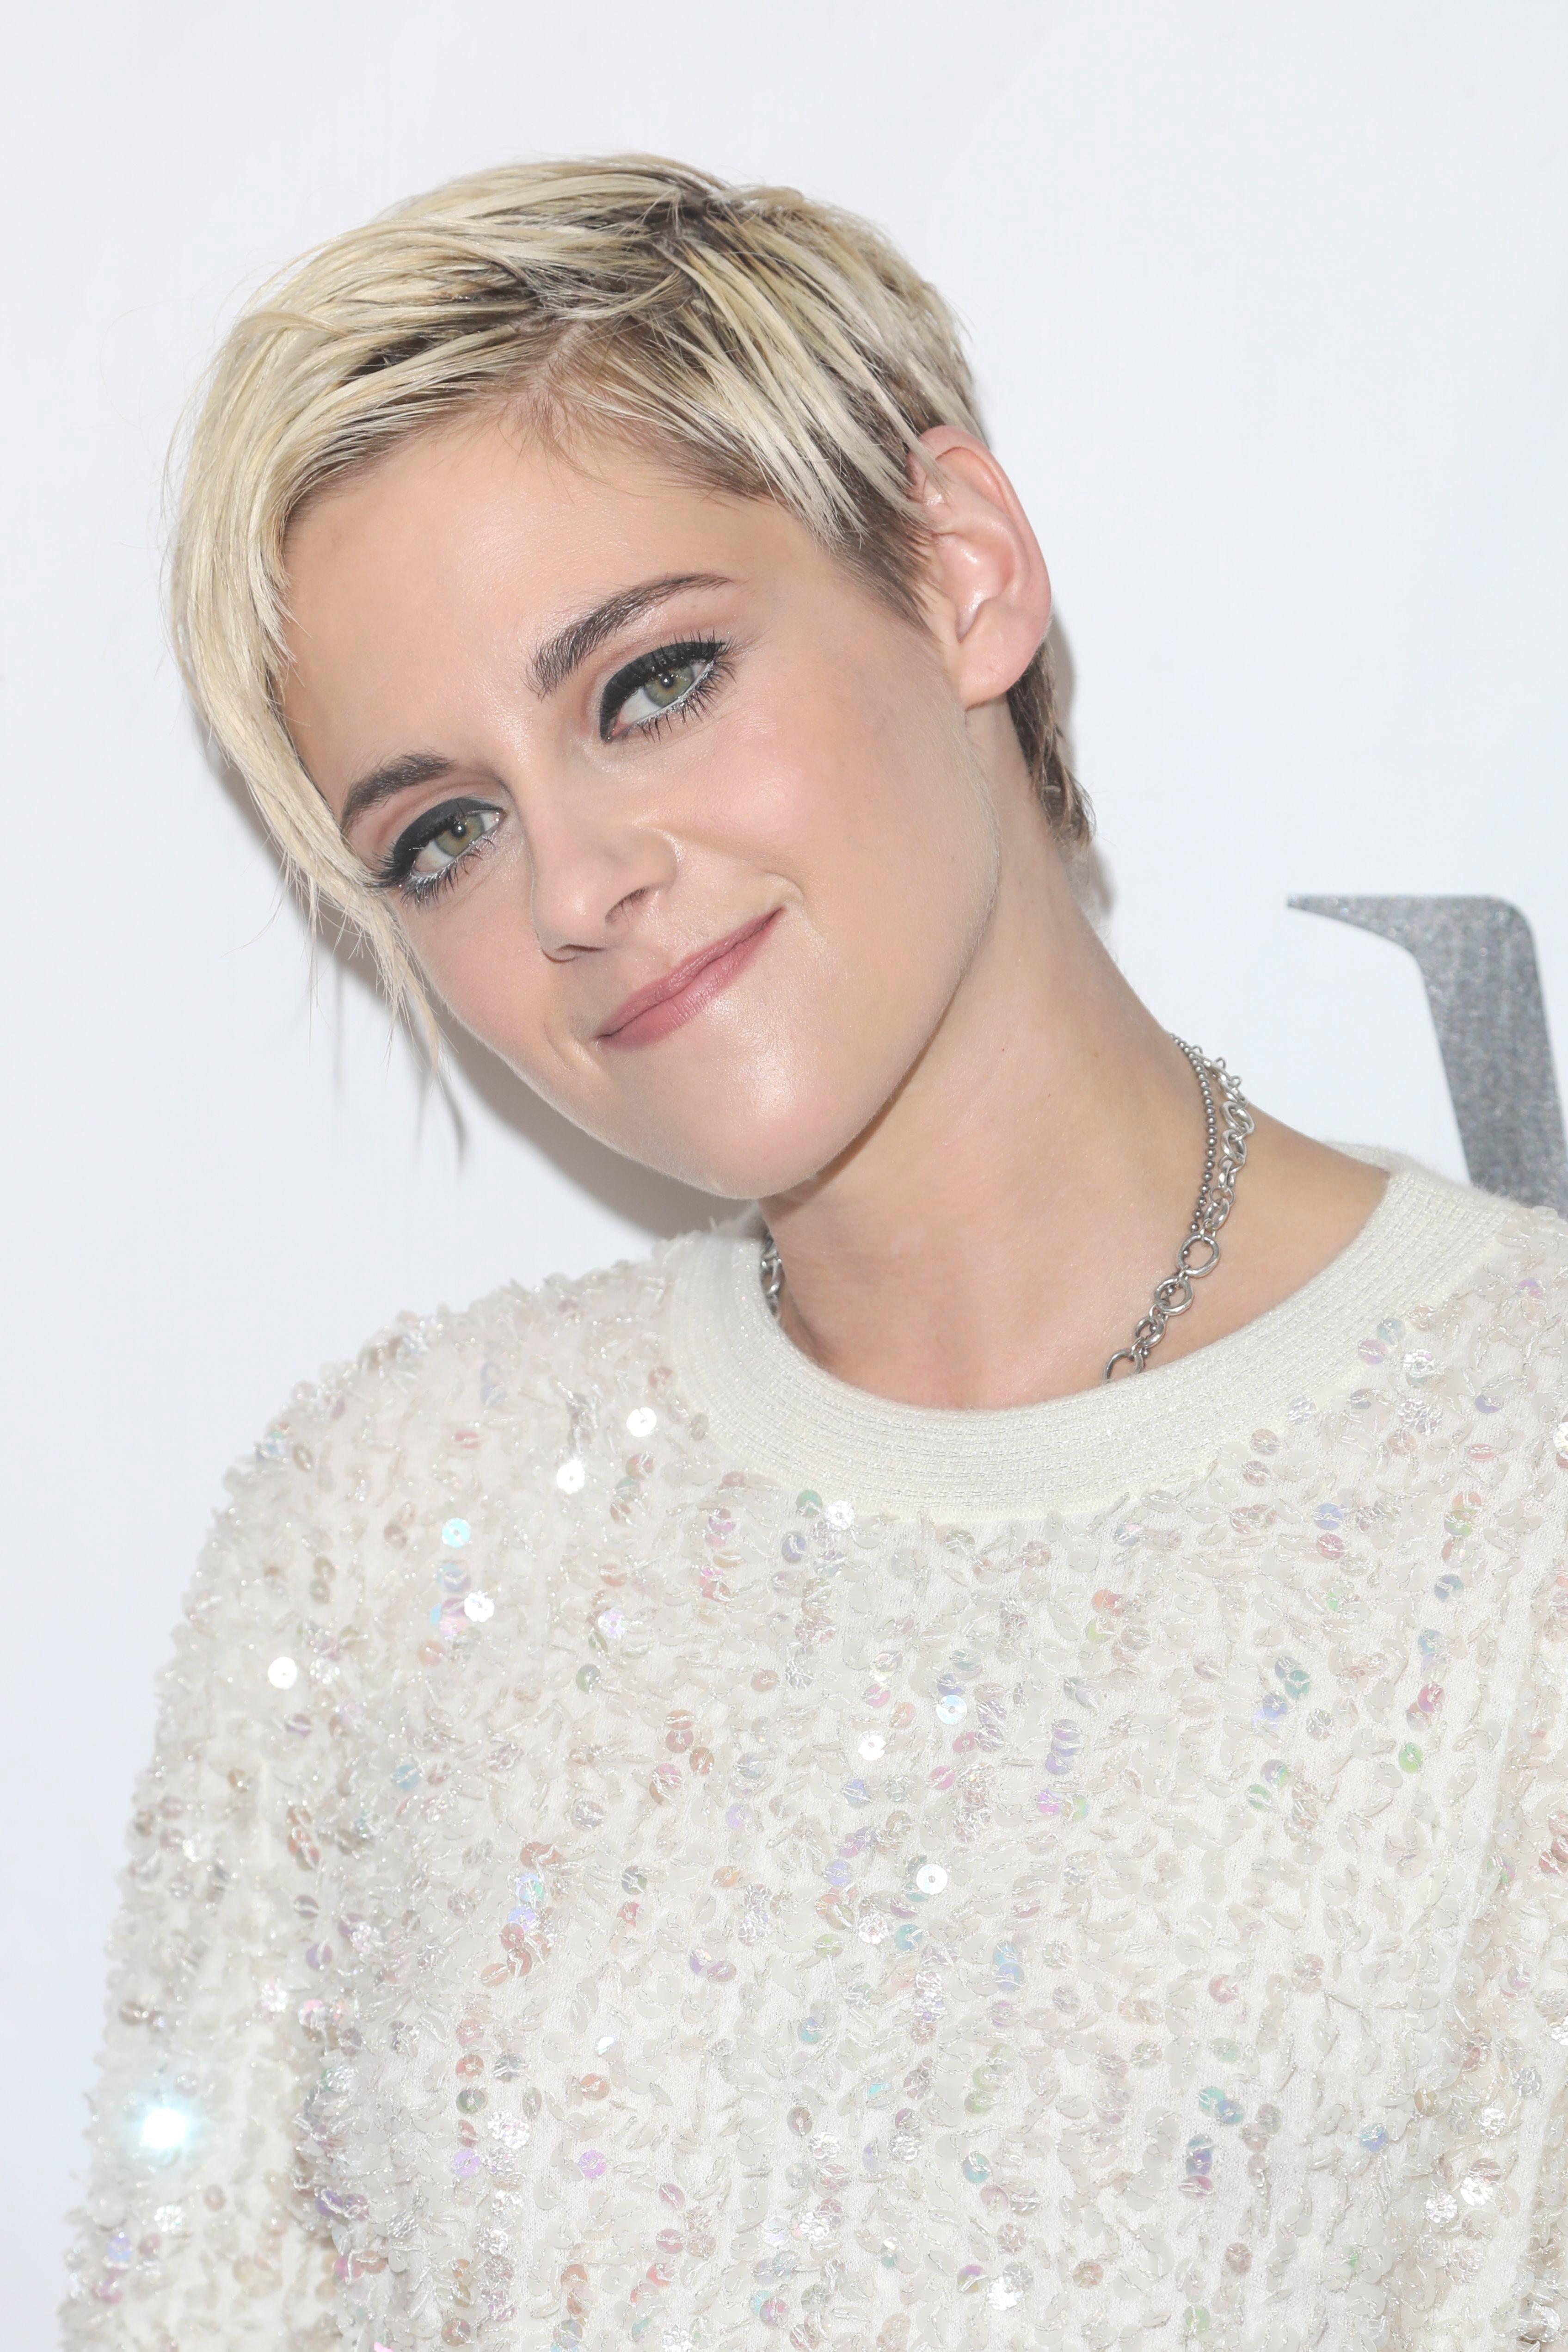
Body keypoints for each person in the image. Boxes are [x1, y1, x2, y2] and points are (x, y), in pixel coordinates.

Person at [64, 156, 1568, 2352]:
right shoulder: (385, 1526)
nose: (572, 885)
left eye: (649, 683)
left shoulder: (1520, 1476)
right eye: (445, 830)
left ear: (957, 571)